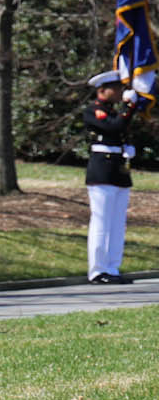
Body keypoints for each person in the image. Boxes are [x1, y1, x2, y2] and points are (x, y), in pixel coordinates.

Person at [83, 69, 143, 285]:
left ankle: (112, 268)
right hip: (102, 171)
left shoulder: (112, 111)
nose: (119, 92)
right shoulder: (94, 111)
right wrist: (129, 107)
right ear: (102, 91)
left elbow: (121, 129)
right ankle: (97, 270)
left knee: (118, 223)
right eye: (115, 89)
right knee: (101, 222)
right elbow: (114, 126)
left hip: (118, 171)